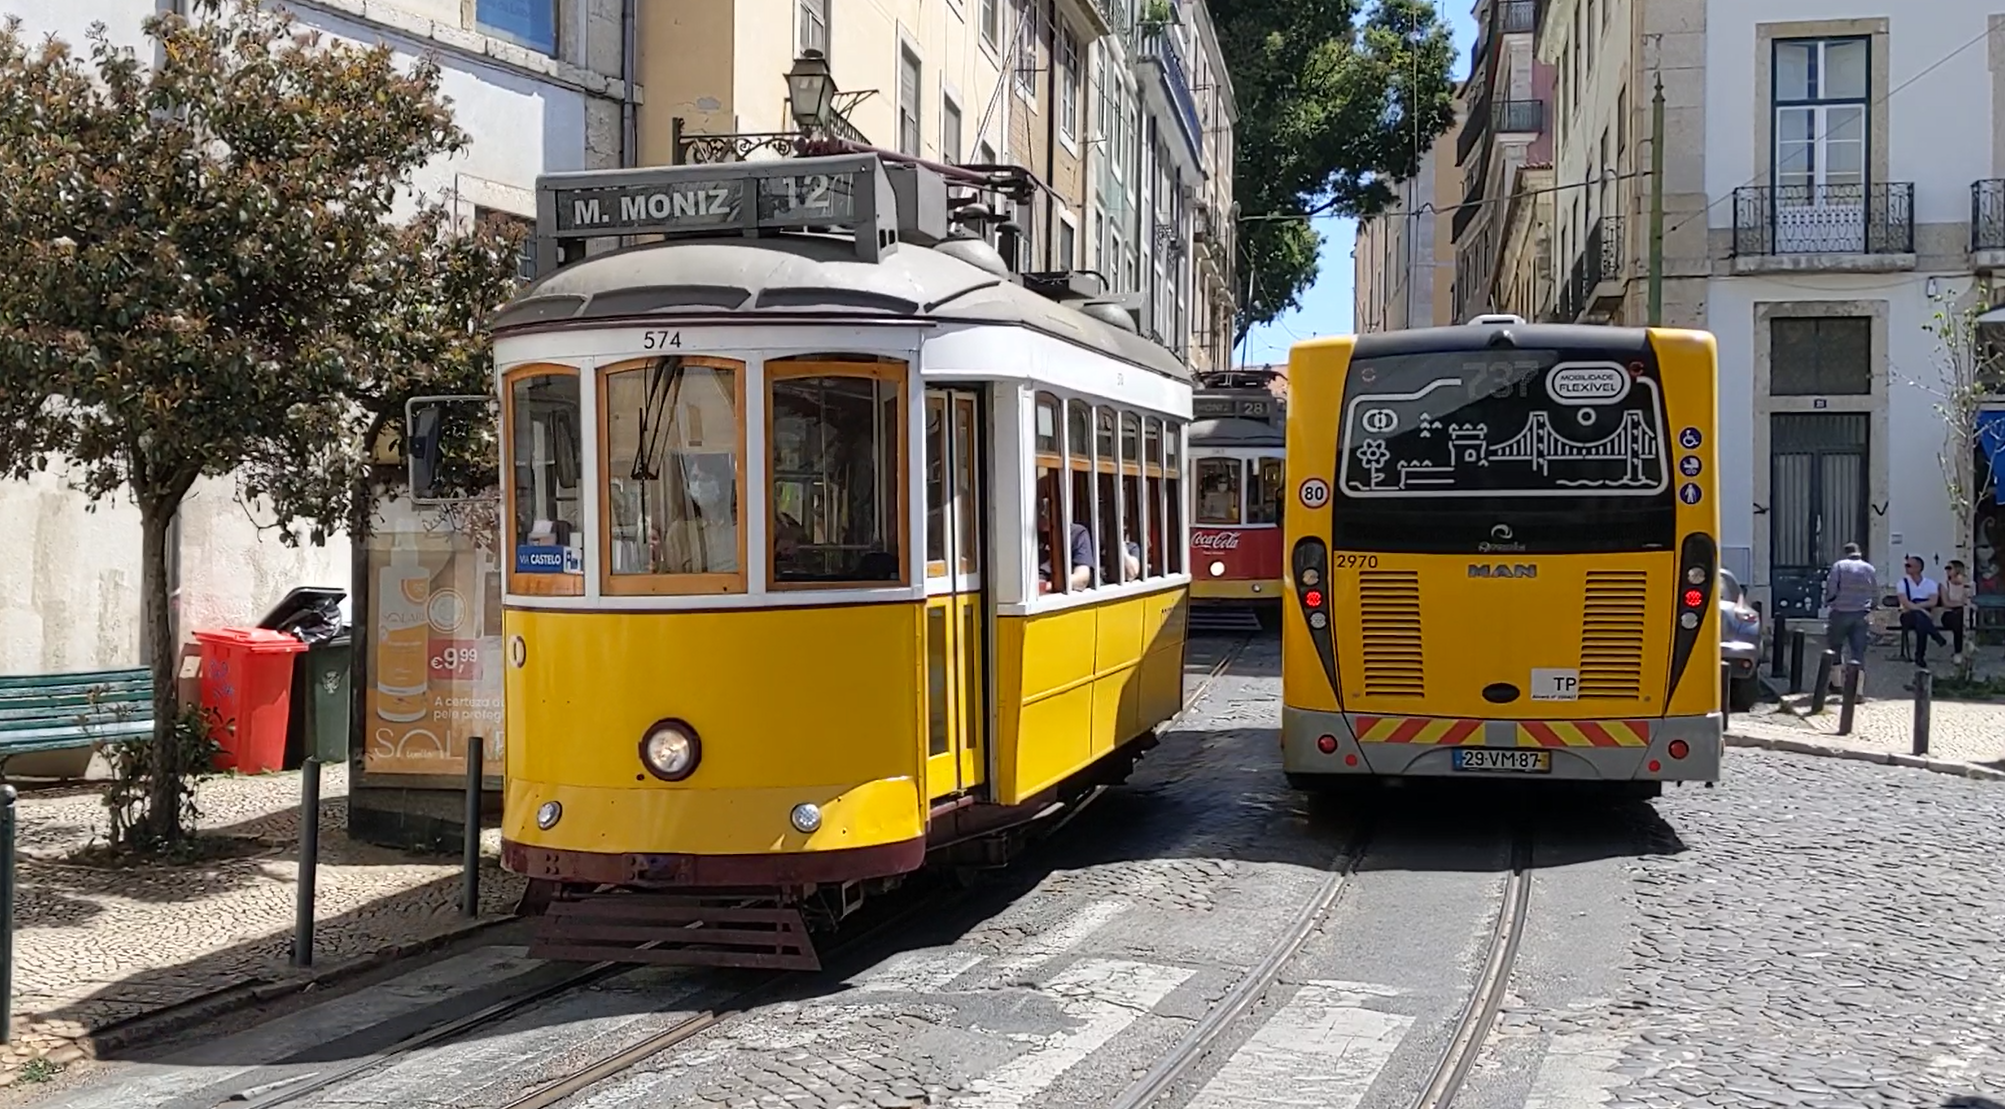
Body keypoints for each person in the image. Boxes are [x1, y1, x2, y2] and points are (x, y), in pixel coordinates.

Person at [1821, 542, 1877, 672]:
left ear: (1845, 553)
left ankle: (1837, 682)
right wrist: (1872, 606)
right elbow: (1875, 591)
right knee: (1858, 650)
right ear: (1859, 553)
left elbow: (1832, 588)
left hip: (1841, 611)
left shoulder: (1839, 566)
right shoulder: (1869, 568)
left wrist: (1828, 601)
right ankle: (1857, 685)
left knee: (1835, 647)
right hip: (1862, 613)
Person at [1896, 554, 1950, 668]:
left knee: (1921, 624)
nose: (1906, 568)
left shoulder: (1930, 583)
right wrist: (1922, 610)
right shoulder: (1902, 583)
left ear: (1918, 568)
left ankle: (1920, 657)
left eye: (1909, 565)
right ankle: (1934, 637)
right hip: (1908, 615)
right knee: (1919, 616)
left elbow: (1933, 601)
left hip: (1922, 616)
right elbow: (1905, 602)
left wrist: (1918, 607)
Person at [1941, 559, 1974, 664]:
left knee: (1960, 618)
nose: (1947, 570)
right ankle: (1960, 650)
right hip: (1949, 614)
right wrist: (1962, 604)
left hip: (1964, 614)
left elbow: (1969, 599)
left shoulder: (1969, 585)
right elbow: (1946, 603)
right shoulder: (1944, 585)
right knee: (1957, 619)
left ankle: (1959, 651)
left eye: (1949, 568)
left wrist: (1963, 585)